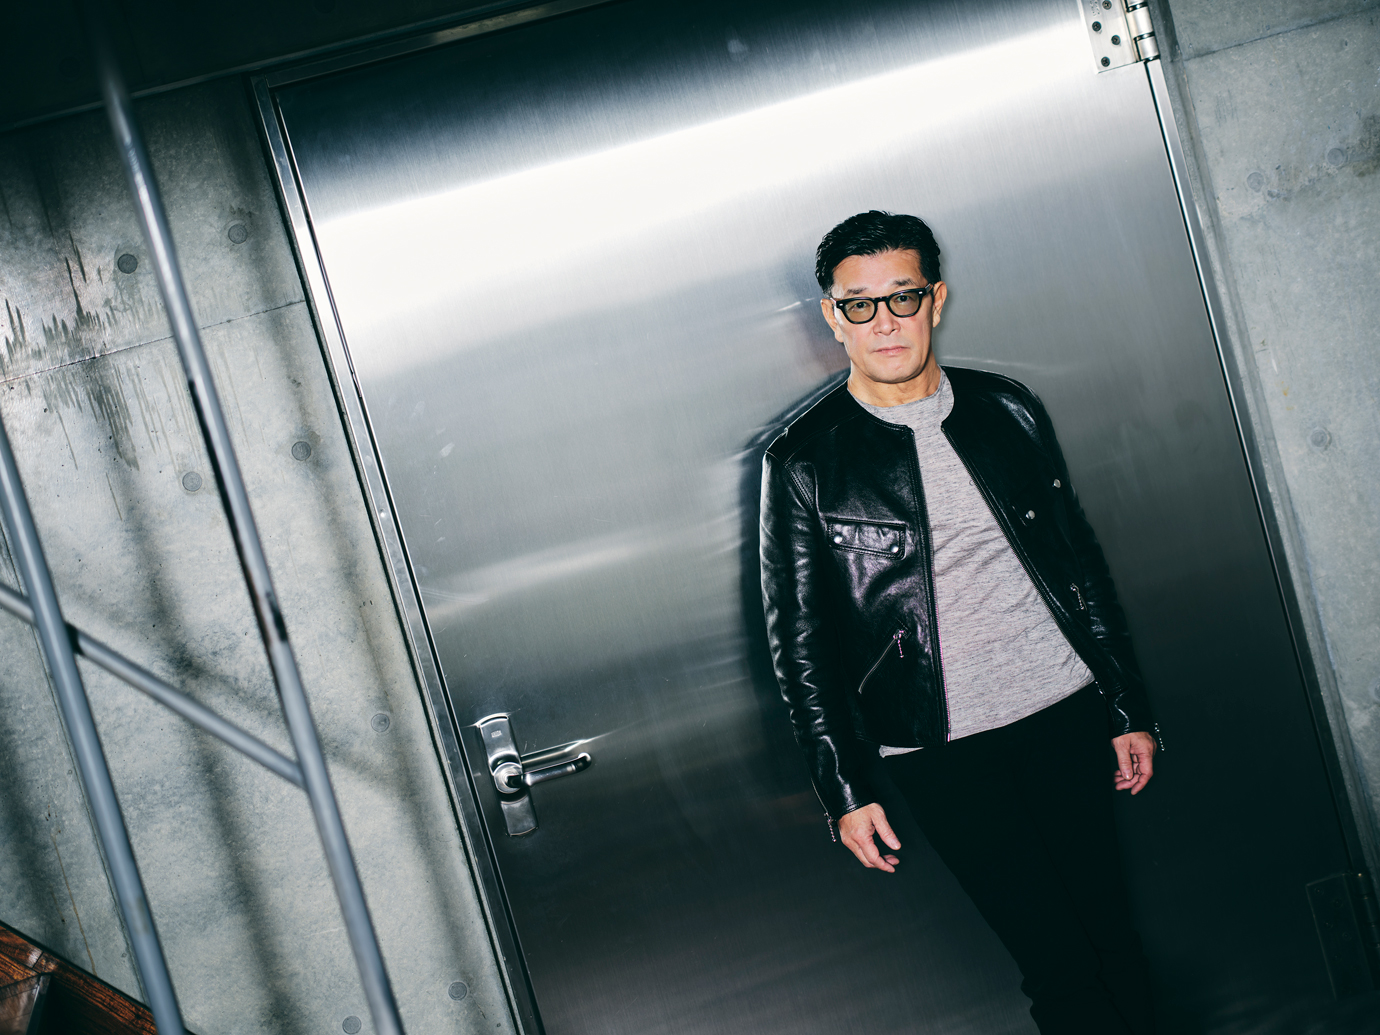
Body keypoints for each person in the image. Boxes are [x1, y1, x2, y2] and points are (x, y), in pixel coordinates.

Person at [759, 210, 1160, 1034]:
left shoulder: (1005, 408)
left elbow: (1078, 562)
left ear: (935, 299)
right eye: (860, 304)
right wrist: (843, 787)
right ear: (834, 317)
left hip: (1062, 710)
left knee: (1115, 940)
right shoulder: (805, 459)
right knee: (1059, 966)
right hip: (941, 748)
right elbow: (799, 642)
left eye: (902, 296)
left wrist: (1126, 705)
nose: (884, 322)